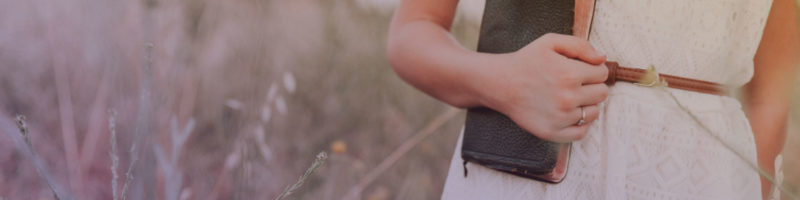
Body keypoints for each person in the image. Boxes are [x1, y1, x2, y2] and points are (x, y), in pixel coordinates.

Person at [386, 0, 799, 199]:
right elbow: (412, 33)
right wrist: (504, 81)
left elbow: (770, 98)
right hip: (529, 178)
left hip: (704, 181)